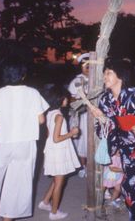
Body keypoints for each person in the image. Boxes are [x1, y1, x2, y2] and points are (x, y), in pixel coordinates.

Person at [90, 58, 135, 221]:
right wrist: (102, 118)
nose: (105, 77)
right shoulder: (105, 99)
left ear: (120, 76)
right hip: (125, 149)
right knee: (130, 186)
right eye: (104, 74)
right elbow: (104, 130)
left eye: (109, 73)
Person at [0, 61, 49, 221]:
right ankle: (8, 218)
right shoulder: (33, 93)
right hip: (25, 143)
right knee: (18, 182)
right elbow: (41, 120)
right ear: (23, 75)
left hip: (3, 141)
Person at [38, 86, 80, 220]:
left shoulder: (51, 113)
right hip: (58, 150)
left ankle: (45, 202)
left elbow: (50, 135)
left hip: (53, 150)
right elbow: (56, 139)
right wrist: (71, 133)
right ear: (61, 99)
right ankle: (54, 212)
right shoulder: (59, 116)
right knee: (59, 182)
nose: (67, 99)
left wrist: (67, 135)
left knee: (58, 178)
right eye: (65, 97)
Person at [68, 53, 90, 178]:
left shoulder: (99, 80)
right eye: (85, 65)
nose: (87, 68)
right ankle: (83, 167)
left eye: (89, 65)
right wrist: (81, 102)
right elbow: (71, 100)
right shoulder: (76, 81)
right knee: (82, 141)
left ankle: (93, 165)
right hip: (81, 115)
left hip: (94, 115)